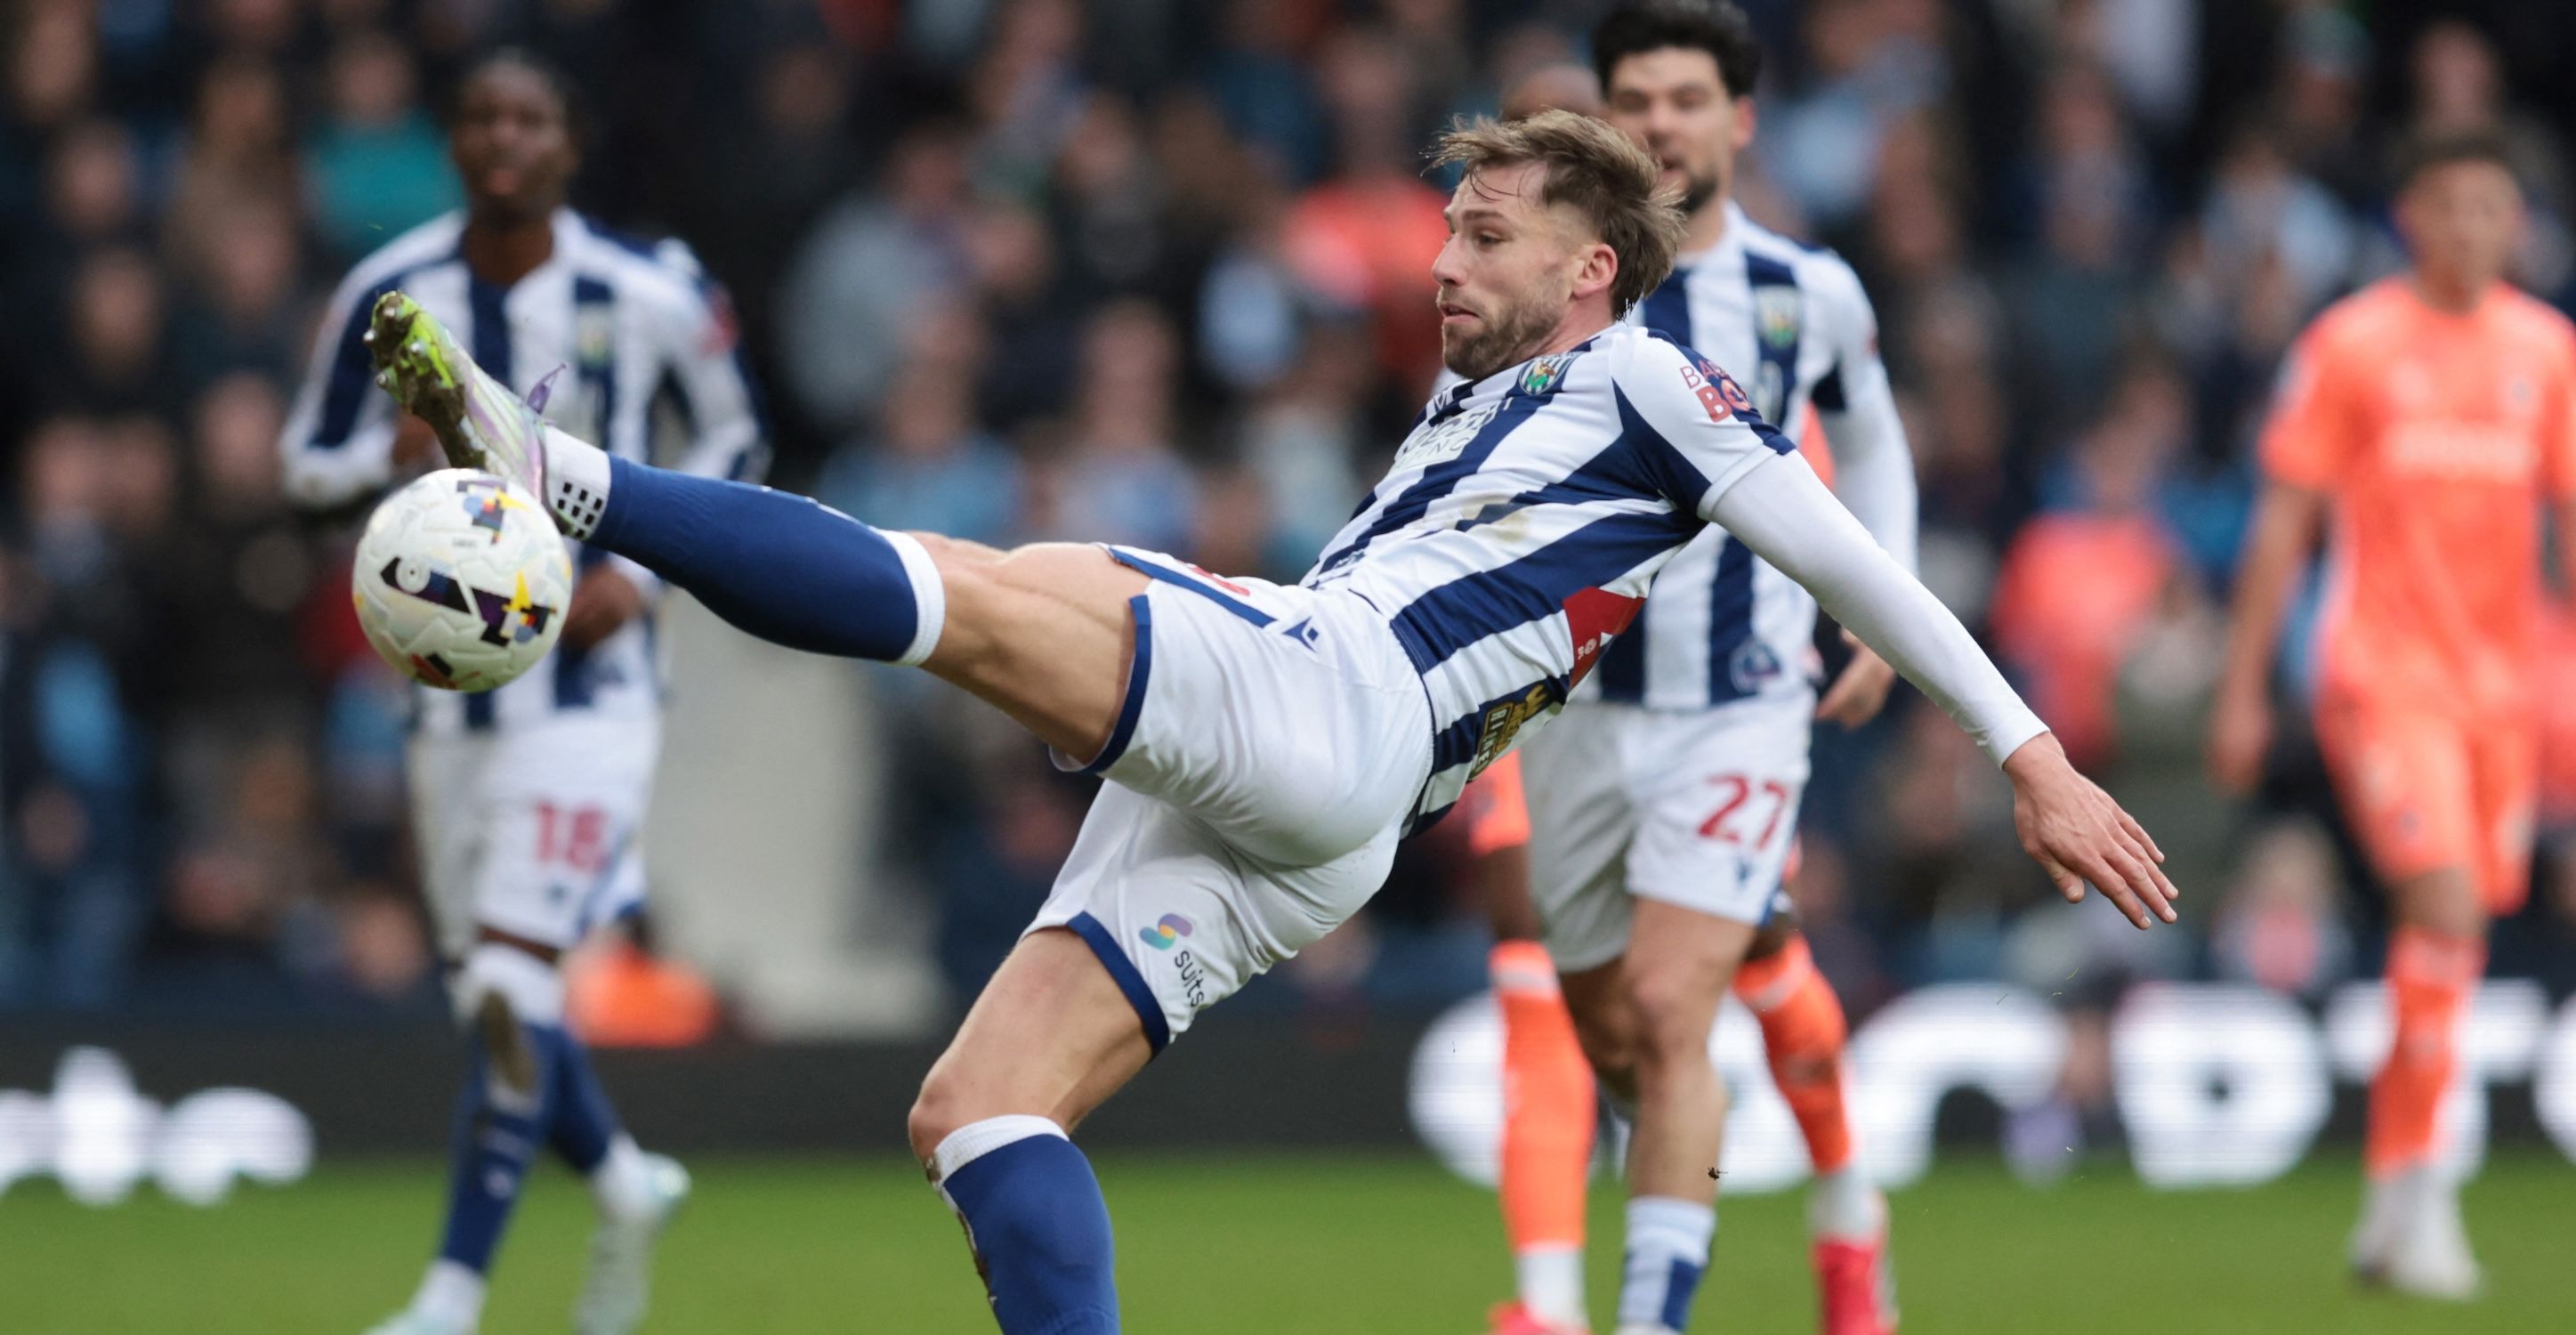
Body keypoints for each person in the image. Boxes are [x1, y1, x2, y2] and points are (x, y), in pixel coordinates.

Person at [367, 109, 2175, 1335]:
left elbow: (1865, 568)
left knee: (971, 594)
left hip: (1339, 694)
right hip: (1330, 821)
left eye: (1486, 237)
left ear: (1594, 271)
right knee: (979, 1112)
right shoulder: (1484, 408)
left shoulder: (1652, 384)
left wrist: (2030, 752)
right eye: (1447, 232)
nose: (1445, 263)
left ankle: (564, 478)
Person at [279, 50, 763, 1335]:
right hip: (448, 697)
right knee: (497, 1001)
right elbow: (300, 466)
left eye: (529, 117)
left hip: (597, 690)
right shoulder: (390, 291)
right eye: (482, 117)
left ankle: (450, 1298)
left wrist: (648, 581)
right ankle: (622, 1181)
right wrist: (369, 468)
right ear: (454, 143)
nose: (505, 137)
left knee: (506, 981)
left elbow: (734, 437)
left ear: (569, 143)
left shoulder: (644, 290)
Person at [1468, 5, 1918, 1332]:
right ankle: (1850, 1204)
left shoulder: (1807, 291)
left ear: (1740, 119)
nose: (1659, 121)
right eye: (1635, 98)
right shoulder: (1559, 287)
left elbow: (1878, 443)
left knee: (1672, 1014)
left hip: (1739, 708)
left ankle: (1648, 1311)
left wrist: (1881, 609)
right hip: (1575, 715)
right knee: (1632, 1038)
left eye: (1683, 97)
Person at [2209, 131, 2576, 1300]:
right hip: (2379, 672)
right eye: (2448, 206)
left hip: (2499, 694)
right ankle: (2427, 1196)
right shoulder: (2351, 344)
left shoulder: (2543, 349)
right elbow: (2282, 524)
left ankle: (2391, 1201)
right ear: (2411, 216)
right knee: (2446, 903)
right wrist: (2246, 683)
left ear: (2516, 224)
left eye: (2490, 209)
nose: (2469, 229)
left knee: (2448, 939)